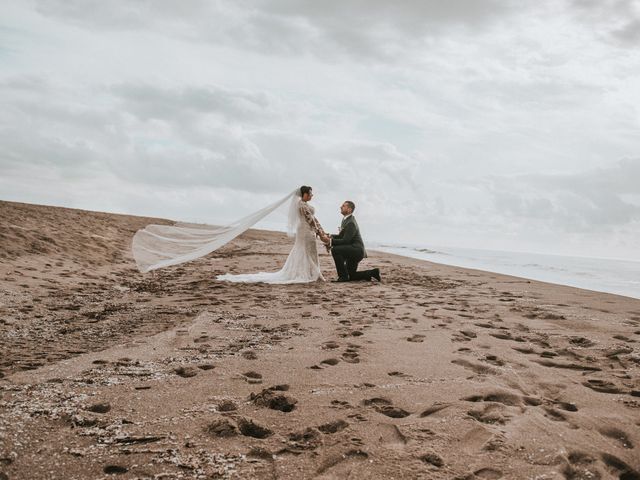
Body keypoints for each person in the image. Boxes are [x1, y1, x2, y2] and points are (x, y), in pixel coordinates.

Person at [216, 186, 327, 284]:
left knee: (306, 251)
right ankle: (311, 273)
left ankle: (310, 272)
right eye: (310, 193)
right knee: (305, 250)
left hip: (306, 230)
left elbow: (313, 219)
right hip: (305, 231)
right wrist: (318, 231)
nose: (312, 195)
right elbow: (309, 220)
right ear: (305, 194)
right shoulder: (301, 205)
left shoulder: (305, 204)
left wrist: (320, 230)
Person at [320, 201, 381, 282]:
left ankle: (342, 277)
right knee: (351, 275)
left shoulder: (351, 222)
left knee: (335, 250)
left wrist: (330, 241)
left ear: (349, 209)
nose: (340, 207)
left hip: (356, 250)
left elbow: (346, 240)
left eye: (343, 206)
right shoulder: (346, 219)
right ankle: (372, 273)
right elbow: (342, 236)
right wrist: (330, 236)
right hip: (352, 249)